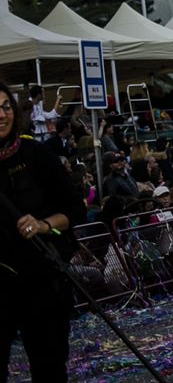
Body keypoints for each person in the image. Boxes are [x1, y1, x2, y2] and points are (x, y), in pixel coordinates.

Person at [0, 80, 86, 383]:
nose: (1, 115)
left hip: (43, 277)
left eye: (5, 106)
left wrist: (44, 224)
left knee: (48, 366)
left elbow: (76, 208)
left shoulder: (36, 154)